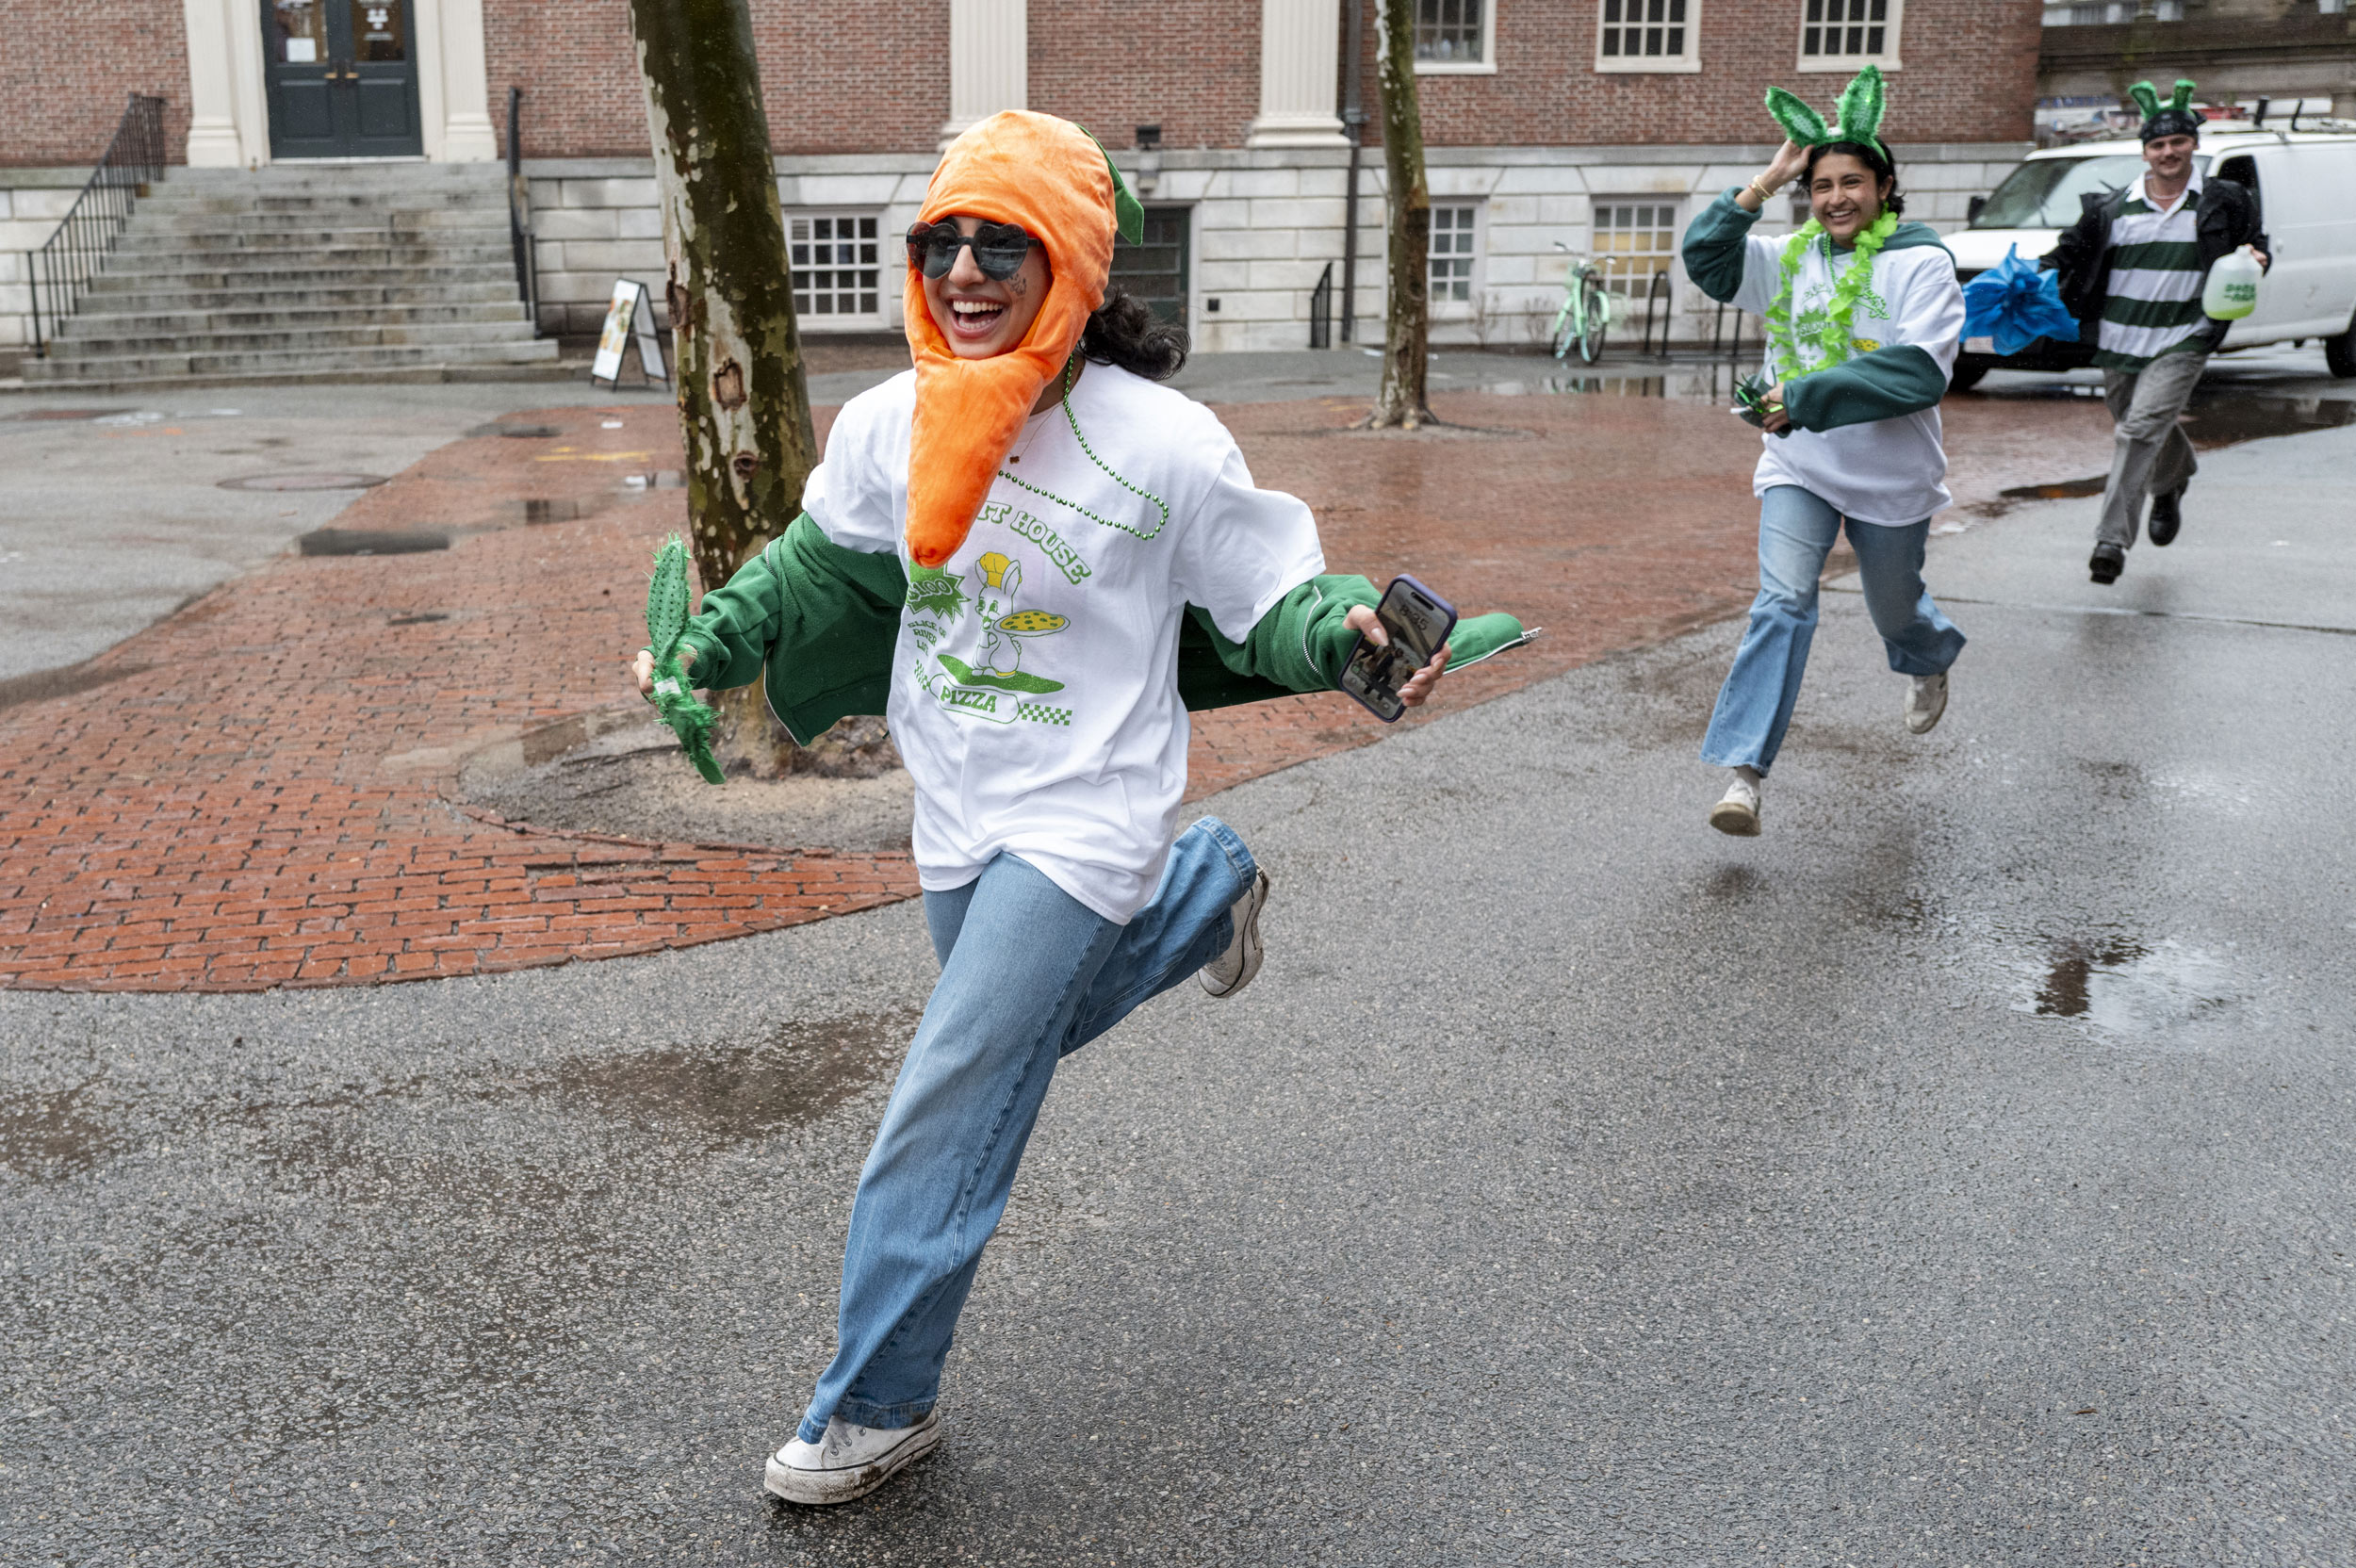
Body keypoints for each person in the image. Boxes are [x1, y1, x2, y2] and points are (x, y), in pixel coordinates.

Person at [630, 110, 1524, 1506]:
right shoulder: (890, 423)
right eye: (944, 245)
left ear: (1076, 271)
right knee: (1012, 1050)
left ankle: (879, 1401)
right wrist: (708, 649)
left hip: (1088, 811)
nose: (969, 273)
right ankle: (1207, 887)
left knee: (953, 1089)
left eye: (1006, 245)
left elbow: (1271, 599)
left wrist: (1341, 633)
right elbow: (815, 569)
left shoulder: (1160, 443)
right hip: (957, 807)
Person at [1682, 67, 1968, 837]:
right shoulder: (1792, 258)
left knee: (1895, 608)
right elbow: (1706, 262)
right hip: (1798, 466)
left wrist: (1801, 397)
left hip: (1889, 477)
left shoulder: (1921, 263)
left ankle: (1928, 653)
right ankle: (1744, 774)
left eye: (1851, 182)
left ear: (1883, 187)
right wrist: (1767, 179)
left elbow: (1918, 371)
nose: (1835, 197)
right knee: (1782, 601)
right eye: (1820, 185)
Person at [2041, 78, 2268, 583]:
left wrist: (2257, 258)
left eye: (2178, 142)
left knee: (2139, 429)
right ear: (2144, 152)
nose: (2168, 152)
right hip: (2118, 338)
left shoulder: (2224, 200)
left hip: (2185, 335)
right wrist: (2030, 275)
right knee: (2136, 422)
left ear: (2194, 144)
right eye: (2158, 144)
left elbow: (2255, 245)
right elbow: (2067, 253)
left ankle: (2110, 542)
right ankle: (2173, 479)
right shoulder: (2111, 207)